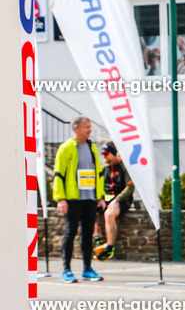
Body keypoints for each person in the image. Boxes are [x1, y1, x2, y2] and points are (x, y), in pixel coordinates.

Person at [53, 116, 106, 283]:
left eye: (90, 127)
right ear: (76, 128)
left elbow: (98, 173)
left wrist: (100, 196)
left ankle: (87, 269)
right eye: (86, 127)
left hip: (90, 198)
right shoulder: (66, 148)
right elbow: (58, 174)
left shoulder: (92, 148)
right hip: (73, 199)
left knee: (88, 234)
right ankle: (66, 270)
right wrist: (60, 198)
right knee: (70, 233)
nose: (90, 130)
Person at [91, 142, 133, 262]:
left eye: (106, 153)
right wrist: (99, 198)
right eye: (102, 154)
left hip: (121, 199)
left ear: (113, 153)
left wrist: (118, 199)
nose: (104, 156)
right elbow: (99, 184)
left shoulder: (123, 166)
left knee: (109, 214)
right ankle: (97, 240)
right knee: (89, 211)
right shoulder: (105, 168)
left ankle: (109, 247)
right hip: (106, 198)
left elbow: (130, 187)